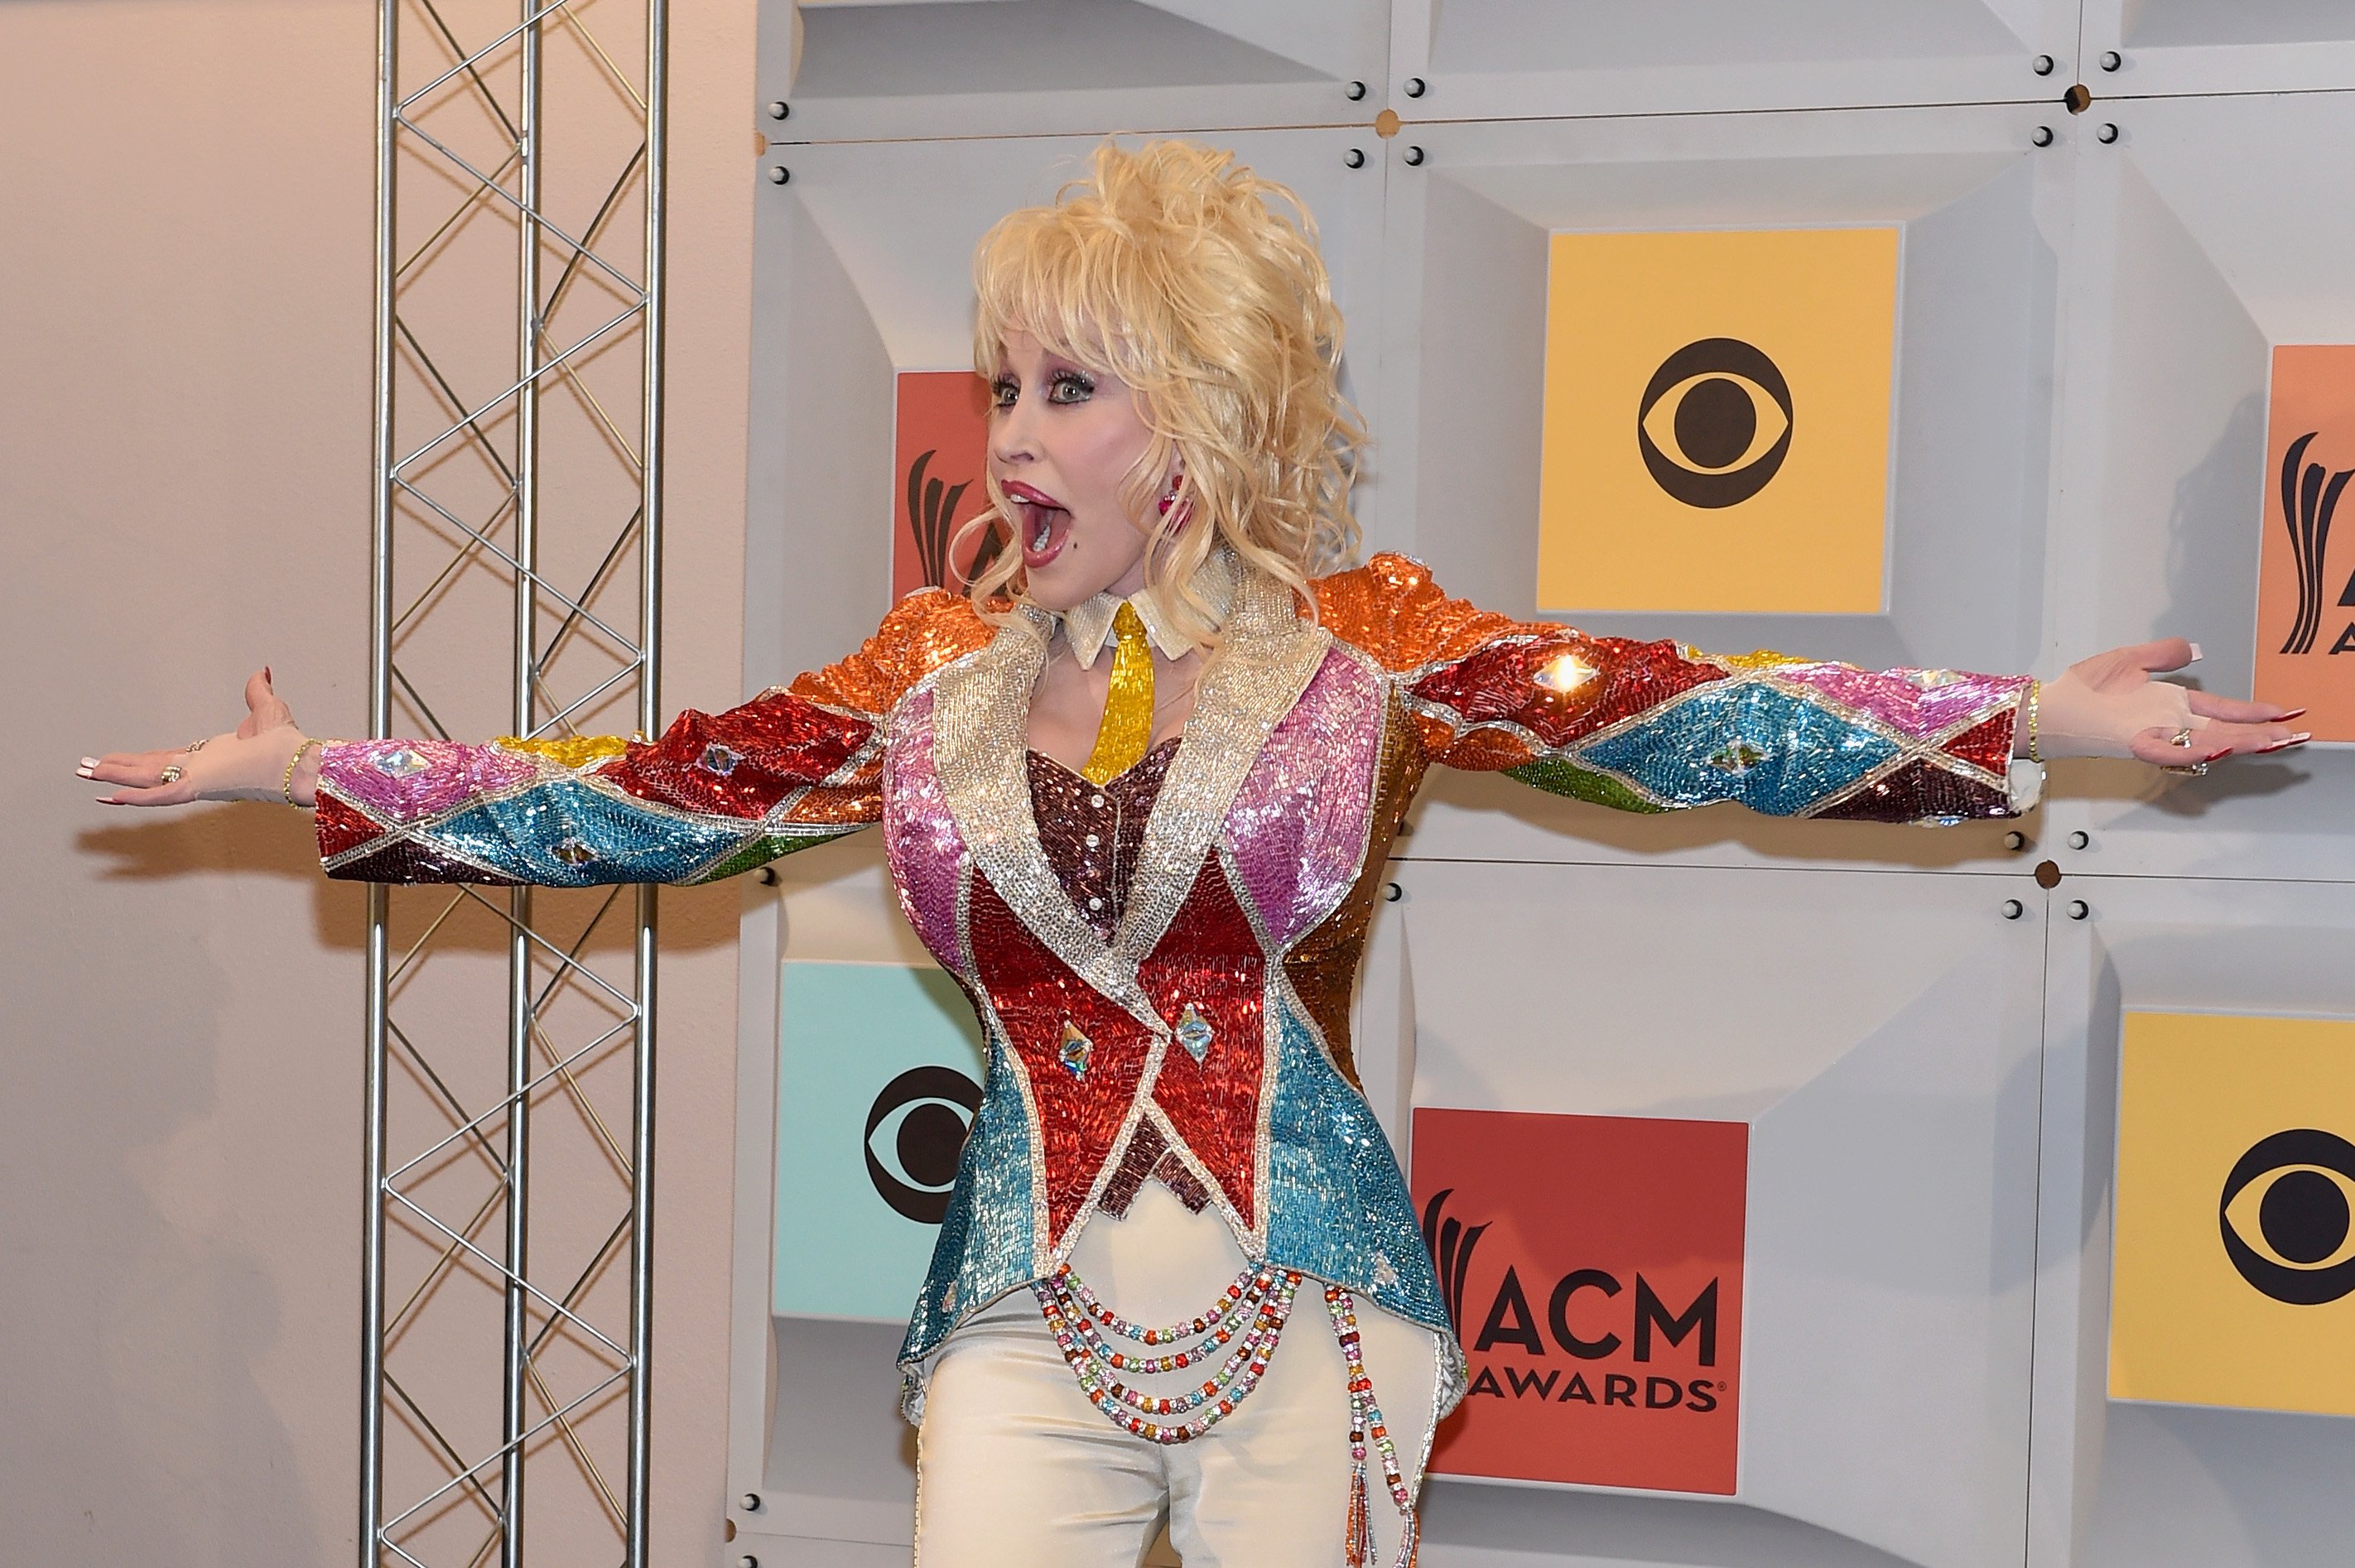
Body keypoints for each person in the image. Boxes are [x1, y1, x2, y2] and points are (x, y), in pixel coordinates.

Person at [80, 141, 2306, 1566]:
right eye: (1000, 390)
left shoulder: (1371, 648)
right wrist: (321, 781)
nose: (1011, 435)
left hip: (1312, 1314)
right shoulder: (926, 672)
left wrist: (2038, 715)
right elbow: (656, 793)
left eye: (1067, 390)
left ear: (1197, 424)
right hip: (1016, 1318)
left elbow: (1683, 711)